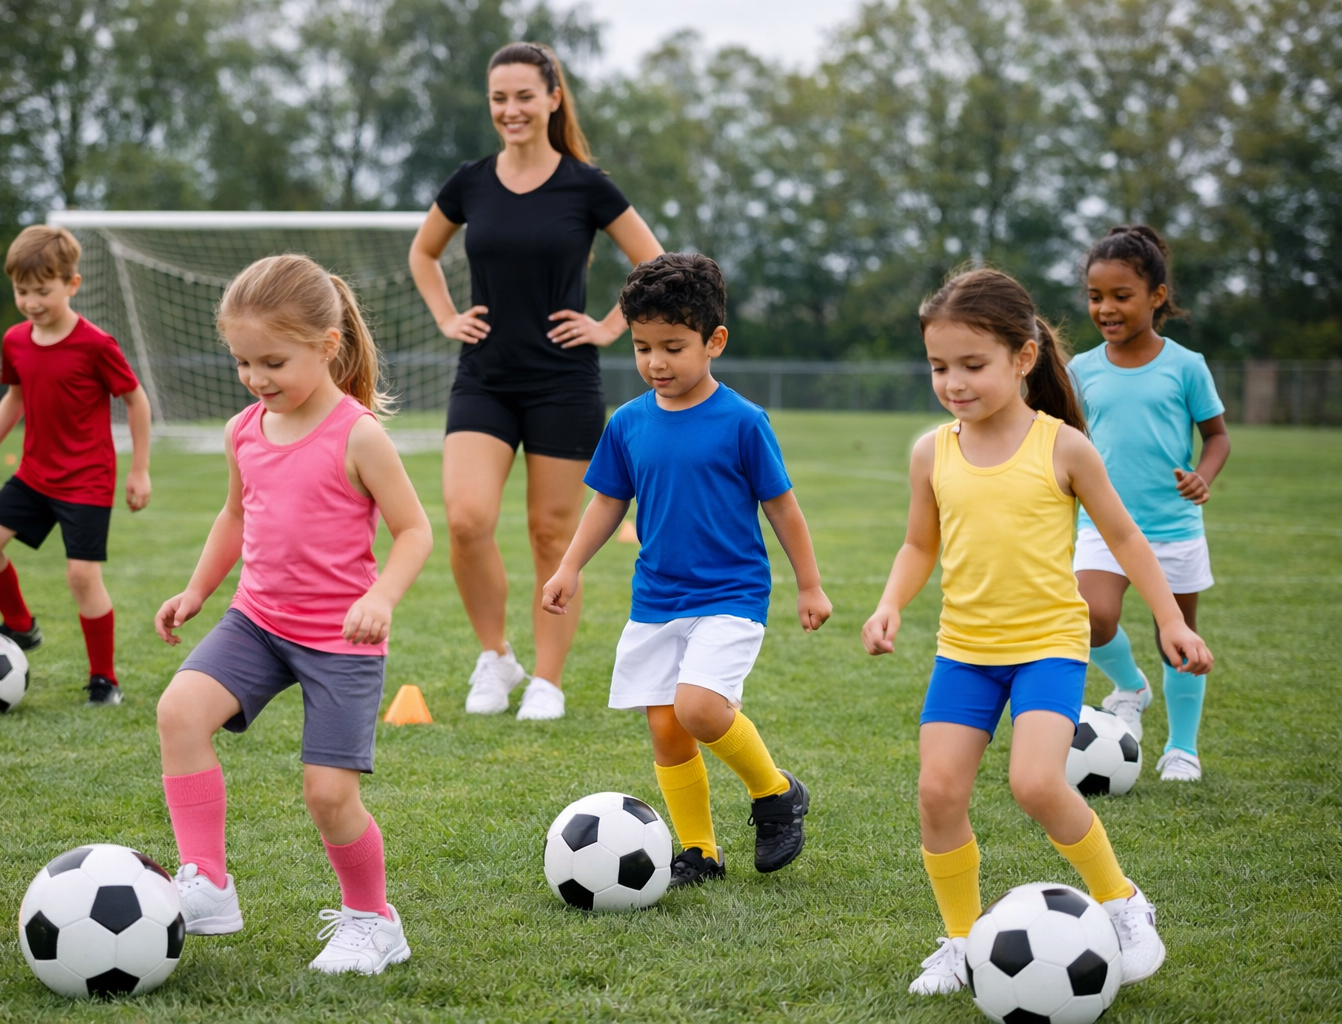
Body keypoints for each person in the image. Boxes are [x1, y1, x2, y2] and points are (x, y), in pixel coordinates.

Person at [859, 268, 1212, 995]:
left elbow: (1126, 538)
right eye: (939, 367)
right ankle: (961, 941)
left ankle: (1123, 902)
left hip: (1048, 647)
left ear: (1023, 358)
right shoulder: (932, 451)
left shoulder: (1063, 447)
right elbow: (919, 545)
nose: (953, 383)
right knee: (938, 794)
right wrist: (890, 603)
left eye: (972, 364)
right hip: (964, 653)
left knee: (1035, 783)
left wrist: (1172, 619)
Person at [152, 254, 432, 975]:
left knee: (329, 797)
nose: (255, 378)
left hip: (340, 640)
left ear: (326, 346)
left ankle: (374, 921)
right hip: (256, 622)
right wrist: (197, 591)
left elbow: (414, 531)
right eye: (243, 362)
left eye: (272, 362)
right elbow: (234, 516)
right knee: (179, 712)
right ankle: (207, 882)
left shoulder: (358, 435)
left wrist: (380, 597)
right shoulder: (243, 430)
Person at [543, 253, 830, 886]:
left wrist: (809, 584)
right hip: (656, 600)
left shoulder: (743, 421)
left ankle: (775, 793)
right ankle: (701, 852)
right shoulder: (628, 423)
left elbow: (782, 506)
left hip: (731, 595)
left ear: (714, 341)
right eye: (642, 348)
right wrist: (570, 566)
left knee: (698, 709)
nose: (656, 363)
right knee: (668, 732)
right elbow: (608, 502)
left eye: (673, 347)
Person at [409, 41, 663, 721]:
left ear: (553, 98)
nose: (511, 109)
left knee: (552, 536)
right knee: (467, 520)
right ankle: (496, 657)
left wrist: (607, 326)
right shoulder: (470, 182)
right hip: (484, 379)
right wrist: (446, 317)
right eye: (499, 98)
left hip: (563, 384)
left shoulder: (586, 185)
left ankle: (547, 680)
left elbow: (653, 263)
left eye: (524, 95)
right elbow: (424, 252)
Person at [0, 225, 151, 706]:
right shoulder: (15, 341)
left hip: (87, 480)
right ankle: (21, 626)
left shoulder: (96, 344)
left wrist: (139, 469)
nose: (31, 302)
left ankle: (104, 679)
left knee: (82, 577)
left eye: (42, 291)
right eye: (21, 291)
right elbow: (15, 397)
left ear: (72, 284)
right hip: (34, 474)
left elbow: (136, 400)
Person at [1073, 225, 1230, 782]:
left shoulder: (1186, 366)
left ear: (1156, 296)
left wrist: (1203, 476)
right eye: (1095, 296)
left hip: (1172, 527)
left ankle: (1182, 749)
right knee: (1089, 615)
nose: (1106, 308)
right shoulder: (1081, 370)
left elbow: (1217, 436)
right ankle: (1130, 687)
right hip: (1101, 525)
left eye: (1121, 295)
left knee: (1177, 637)